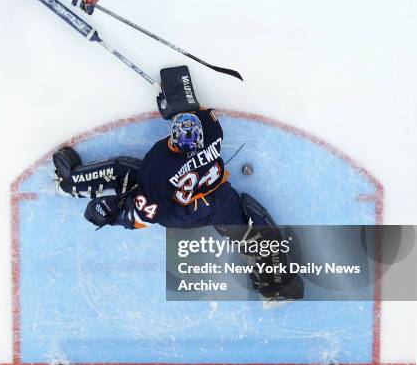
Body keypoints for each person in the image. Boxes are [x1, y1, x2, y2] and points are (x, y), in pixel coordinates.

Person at [52, 66, 304, 302]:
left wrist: (112, 215)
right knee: (252, 218)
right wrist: (179, 102)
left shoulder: (157, 165)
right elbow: (199, 111)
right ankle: (276, 282)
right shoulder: (212, 128)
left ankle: (70, 182)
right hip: (218, 202)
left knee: (123, 172)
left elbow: (144, 214)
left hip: (178, 215)